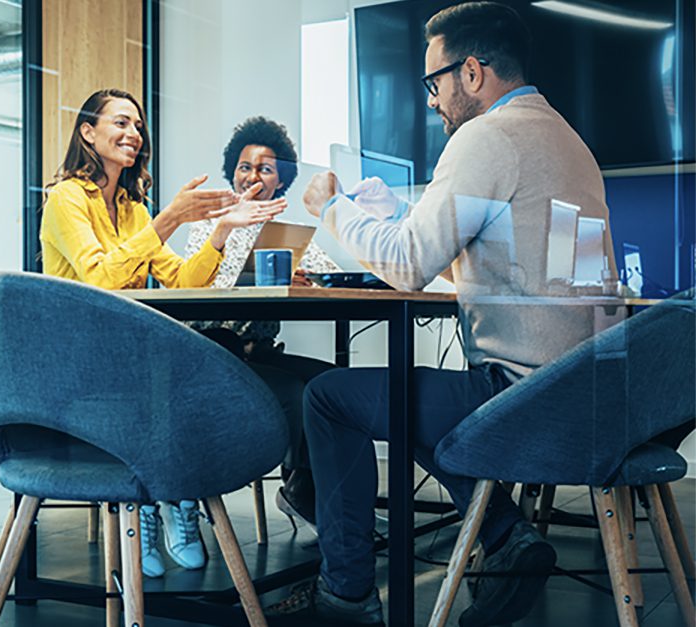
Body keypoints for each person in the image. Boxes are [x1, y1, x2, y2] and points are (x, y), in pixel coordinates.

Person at [272, 3, 617, 625]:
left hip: (525, 400)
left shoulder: (486, 137)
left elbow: (406, 265)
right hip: (587, 394)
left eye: (435, 82)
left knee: (328, 398)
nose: (432, 100)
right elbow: (555, 269)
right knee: (418, 395)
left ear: (474, 72)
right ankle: (506, 536)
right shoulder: (568, 142)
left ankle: (345, 594)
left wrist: (334, 208)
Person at [39, 88, 285, 578]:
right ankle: (160, 500)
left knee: (210, 354)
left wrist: (219, 231)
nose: (134, 134)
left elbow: (183, 280)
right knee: (180, 370)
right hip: (82, 358)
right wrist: (171, 217)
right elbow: (99, 278)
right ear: (88, 132)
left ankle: (170, 497)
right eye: (121, 123)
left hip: (129, 351)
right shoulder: (66, 198)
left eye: (138, 126)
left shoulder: (132, 207)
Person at [184, 117, 339, 536]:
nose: (253, 176)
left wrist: (307, 278)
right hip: (214, 352)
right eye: (244, 167)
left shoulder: (284, 231)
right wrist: (267, 279)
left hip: (261, 353)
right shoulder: (210, 224)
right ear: (232, 173)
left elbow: (326, 274)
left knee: (335, 383)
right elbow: (206, 288)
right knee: (302, 393)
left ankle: (317, 493)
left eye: (265, 169)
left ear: (281, 181)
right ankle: (300, 492)